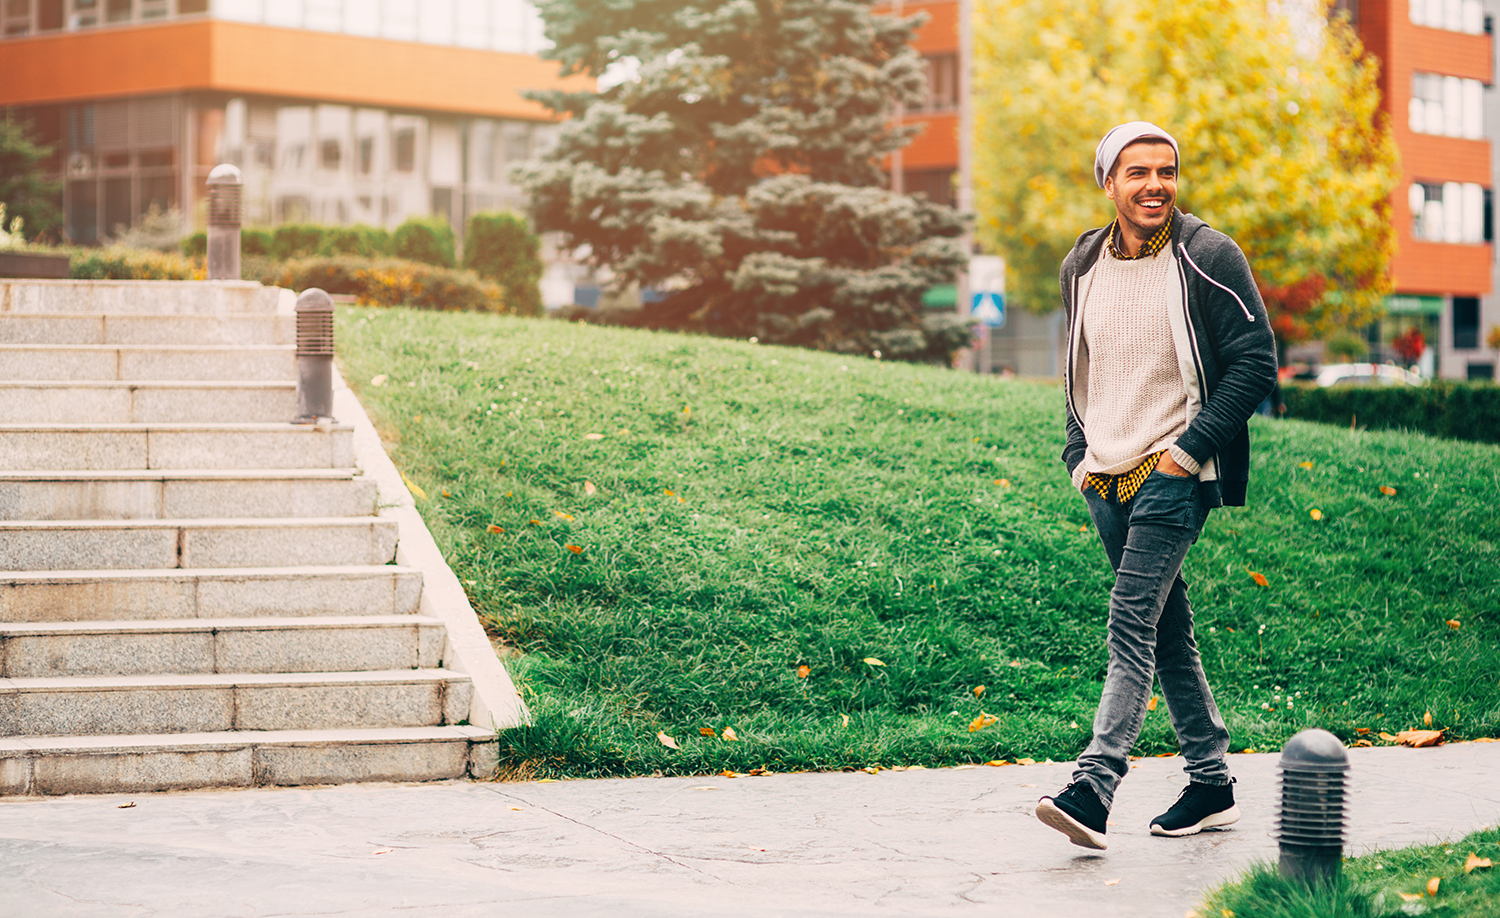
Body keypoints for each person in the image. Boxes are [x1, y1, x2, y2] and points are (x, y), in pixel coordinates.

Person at [1034, 122, 1278, 850]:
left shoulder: (1206, 255)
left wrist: (1188, 451)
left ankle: (1094, 785)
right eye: (1137, 172)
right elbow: (1080, 364)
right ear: (1107, 182)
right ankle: (1211, 781)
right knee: (1168, 633)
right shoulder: (1083, 262)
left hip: (1175, 471)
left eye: (1166, 171)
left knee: (1130, 620)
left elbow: (1256, 362)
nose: (1155, 185)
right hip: (1104, 476)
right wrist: (1077, 451)